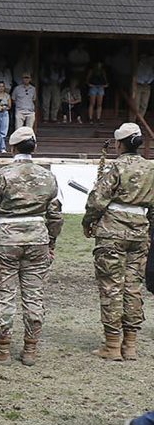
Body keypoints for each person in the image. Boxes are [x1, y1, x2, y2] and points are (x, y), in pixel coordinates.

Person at [0, 127, 62, 365]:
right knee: (34, 294)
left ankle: (3, 349)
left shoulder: (2, 176)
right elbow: (55, 215)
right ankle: (30, 350)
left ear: (12, 148)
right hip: (38, 239)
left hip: (6, 239)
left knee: (4, 294)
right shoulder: (47, 177)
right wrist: (51, 242)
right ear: (34, 148)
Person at [83, 123, 154, 360]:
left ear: (119, 144)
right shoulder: (151, 168)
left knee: (112, 286)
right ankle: (130, 345)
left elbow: (97, 200)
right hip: (139, 234)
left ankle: (112, 345)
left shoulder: (116, 167)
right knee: (133, 288)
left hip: (112, 233)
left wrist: (88, 222)